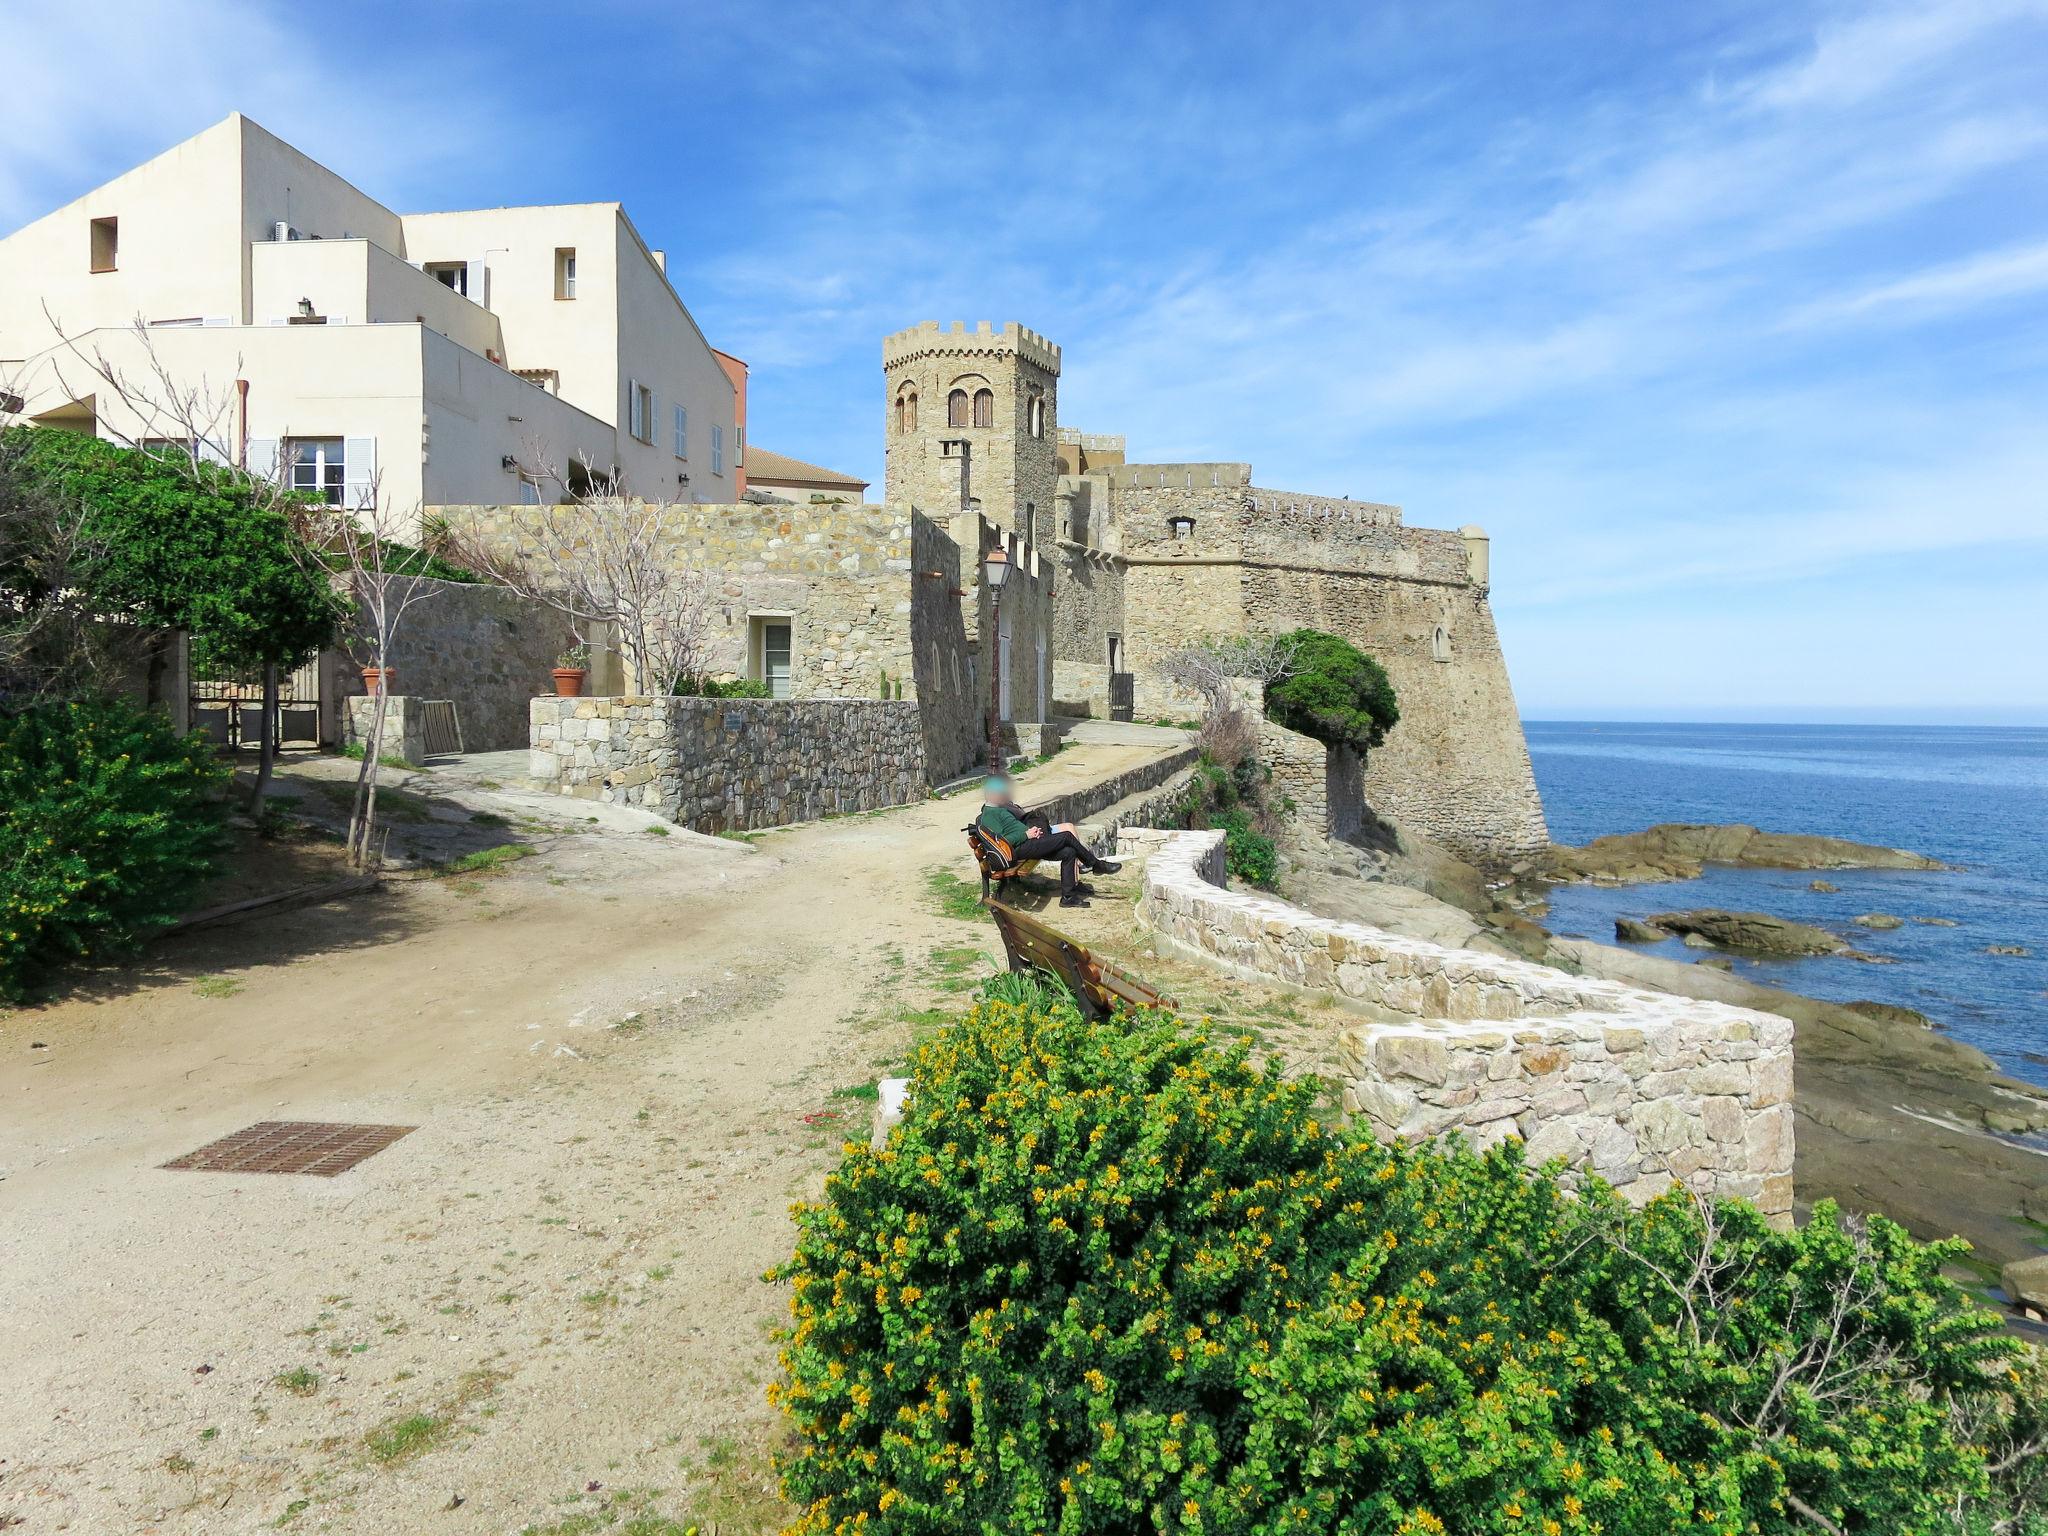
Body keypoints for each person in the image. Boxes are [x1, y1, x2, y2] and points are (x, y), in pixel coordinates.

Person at [976, 775, 1120, 907]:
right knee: (1066, 836)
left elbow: (1013, 829)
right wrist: (1027, 835)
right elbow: (1002, 841)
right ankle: (1095, 864)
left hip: (1028, 842)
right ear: (991, 795)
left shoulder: (1000, 809)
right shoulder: (989, 815)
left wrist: (1033, 832)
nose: (1004, 795)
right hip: (1020, 849)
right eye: (1001, 793)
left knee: (1068, 852)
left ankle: (1068, 897)